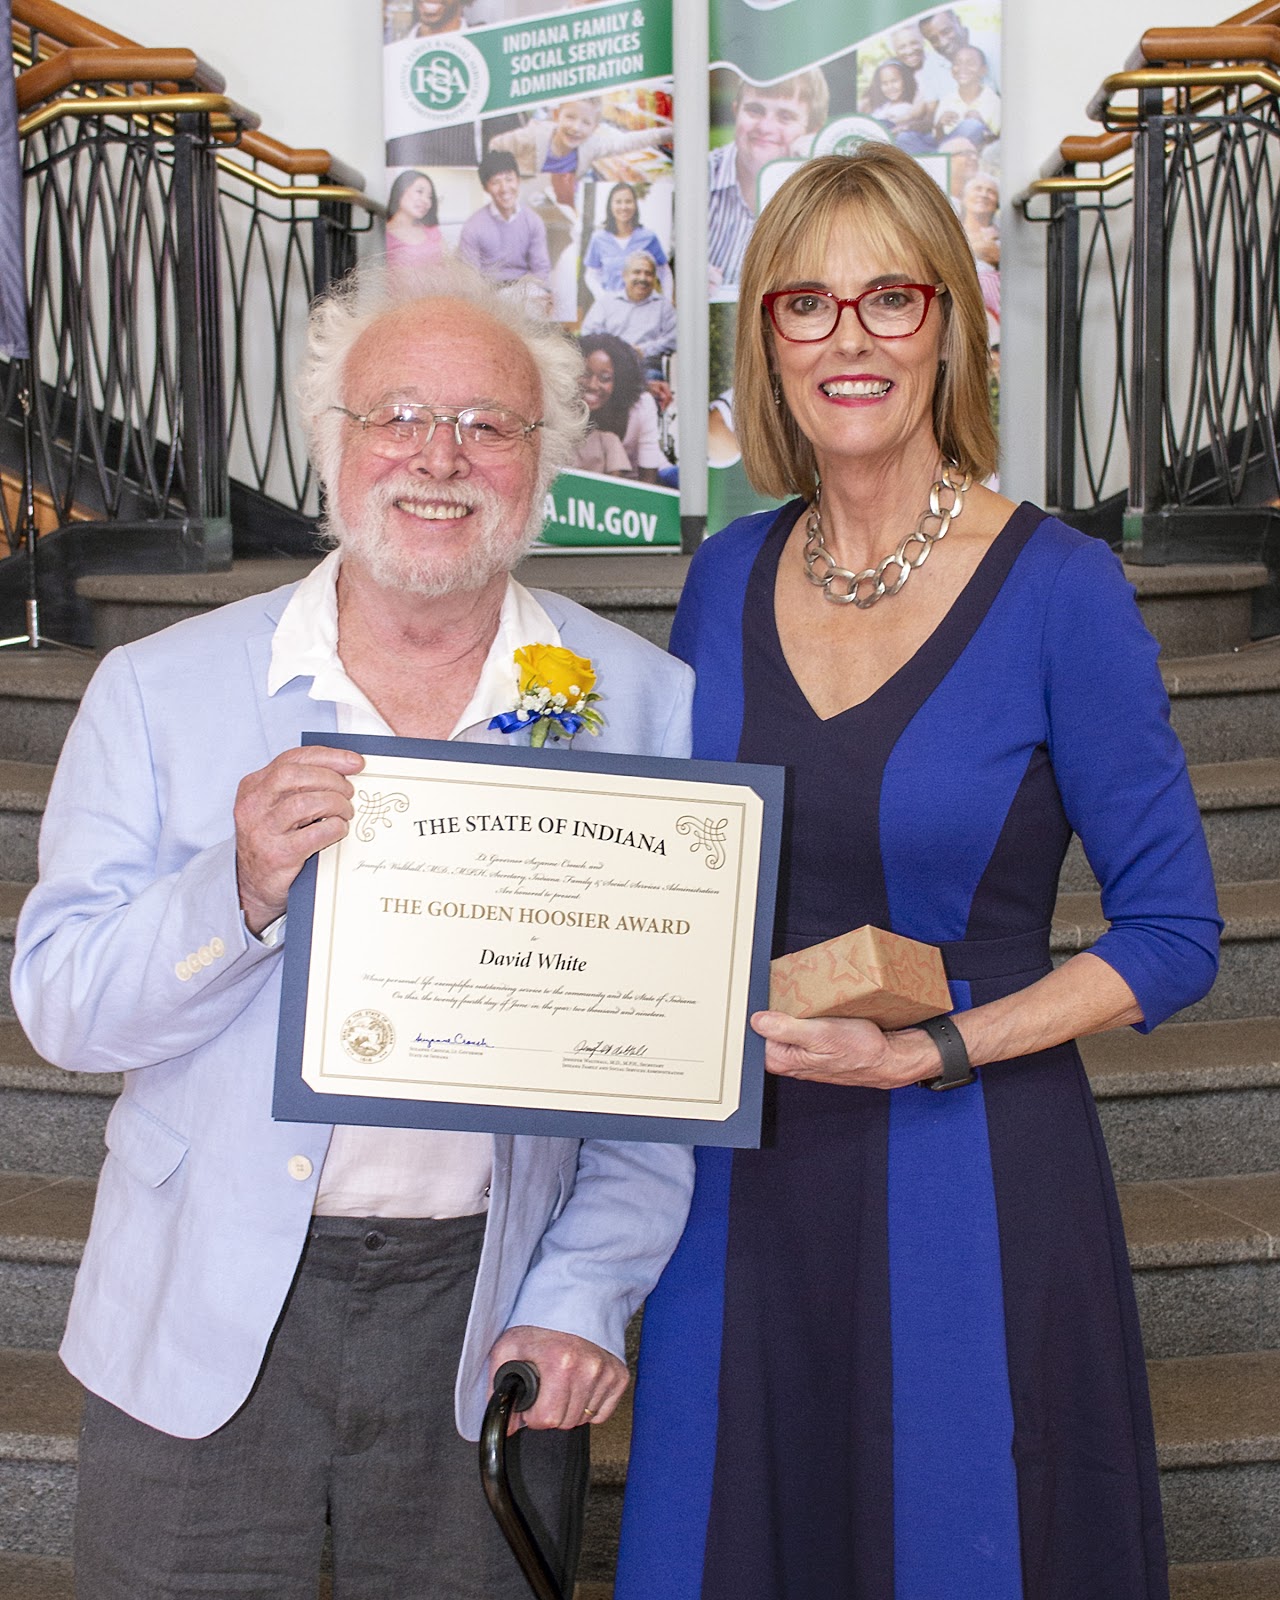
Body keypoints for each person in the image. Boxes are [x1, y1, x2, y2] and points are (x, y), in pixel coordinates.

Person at [13, 256, 696, 1600]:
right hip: (197, 1301)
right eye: (397, 416)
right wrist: (236, 888)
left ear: (543, 461)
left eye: (488, 424)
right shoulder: (157, 690)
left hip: (487, 1308)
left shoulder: (640, 703)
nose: (438, 458)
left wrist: (584, 1291)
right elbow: (63, 1006)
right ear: (330, 443)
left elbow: (660, 1073)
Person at [616, 146, 1219, 1599]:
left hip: (972, 1163)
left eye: (891, 296)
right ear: (765, 339)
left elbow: (1174, 933)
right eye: (805, 303)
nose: (851, 338)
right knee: (735, 1538)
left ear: (951, 320)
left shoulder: (1062, 587)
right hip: (744, 1173)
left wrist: (932, 1049)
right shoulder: (721, 575)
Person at [707, 69, 829, 295]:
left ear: (813, 130)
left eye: (785, 117)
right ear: (735, 111)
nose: (765, 128)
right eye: (755, 110)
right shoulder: (699, 178)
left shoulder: (827, 197)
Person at [575, 332, 663, 483]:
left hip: (634, 484)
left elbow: (649, 479)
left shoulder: (642, 405)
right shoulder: (563, 405)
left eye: (605, 378)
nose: (592, 385)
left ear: (621, 381)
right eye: (585, 374)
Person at [458, 148, 551, 287]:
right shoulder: (473, 226)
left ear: (518, 181)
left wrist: (530, 290)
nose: (504, 188)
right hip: (489, 292)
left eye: (509, 179)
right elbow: (469, 277)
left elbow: (541, 269)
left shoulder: (533, 221)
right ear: (485, 188)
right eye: (496, 182)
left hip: (525, 289)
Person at [579, 251, 676, 379]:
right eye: (637, 272)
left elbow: (673, 339)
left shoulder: (664, 306)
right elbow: (588, 333)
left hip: (647, 367)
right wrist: (615, 351)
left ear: (654, 278)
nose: (642, 278)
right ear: (624, 275)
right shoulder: (606, 302)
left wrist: (643, 350)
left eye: (648, 273)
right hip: (609, 366)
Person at [582, 180, 672, 302]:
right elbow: (591, 275)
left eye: (628, 201)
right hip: (612, 306)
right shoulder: (599, 238)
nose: (623, 207)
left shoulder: (649, 237)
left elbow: (665, 273)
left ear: (635, 205)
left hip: (643, 305)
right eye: (618, 202)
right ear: (610, 206)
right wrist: (603, 298)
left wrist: (667, 301)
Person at [859, 57, 935, 153]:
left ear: (905, 80)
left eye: (894, 81)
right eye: (885, 83)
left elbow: (912, 117)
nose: (890, 87)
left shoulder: (909, 107)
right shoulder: (881, 107)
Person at [934, 44, 1001, 146]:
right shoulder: (947, 100)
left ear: (983, 70)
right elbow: (938, 142)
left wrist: (981, 125)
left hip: (976, 151)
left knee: (972, 125)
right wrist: (939, 126)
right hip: (947, 150)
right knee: (909, 138)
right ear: (952, 70)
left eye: (970, 63)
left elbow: (998, 144)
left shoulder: (993, 102)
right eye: (957, 63)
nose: (963, 68)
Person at [384, 169, 445, 270]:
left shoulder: (432, 231)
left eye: (429, 197)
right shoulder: (382, 236)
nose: (426, 201)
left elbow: (446, 266)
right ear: (400, 190)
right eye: (419, 191)